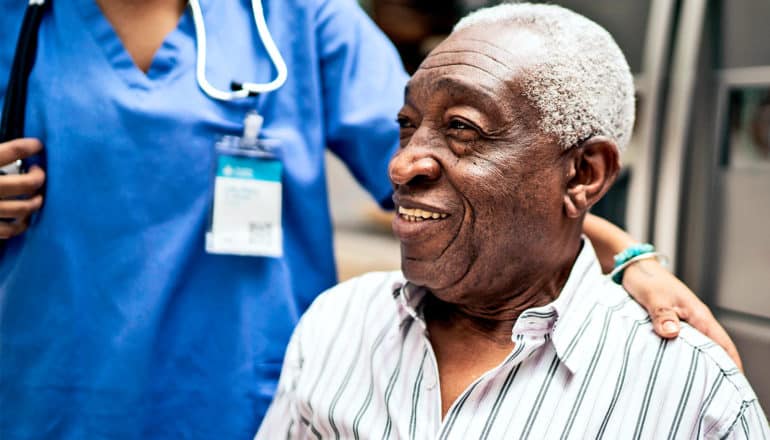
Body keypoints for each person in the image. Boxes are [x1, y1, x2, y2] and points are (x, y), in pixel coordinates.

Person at [0, 0, 742, 438]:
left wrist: (626, 256)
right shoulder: (18, 21)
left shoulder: (294, 17)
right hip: (49, 387)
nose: (405, 154)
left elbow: (454, 172)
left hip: (238, 388)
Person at [256, 4, 769, 439]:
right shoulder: (340, 323)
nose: (401, 163)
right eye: (407, 126)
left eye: (462, 127)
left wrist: (633, 257)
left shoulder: (688, 391)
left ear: (583, 175)